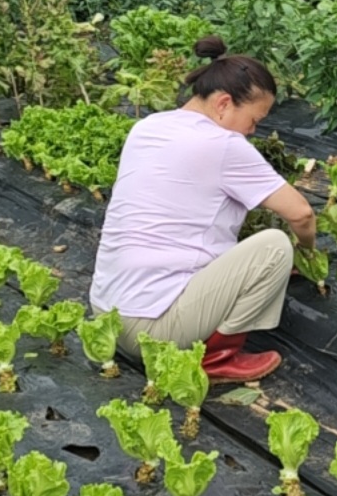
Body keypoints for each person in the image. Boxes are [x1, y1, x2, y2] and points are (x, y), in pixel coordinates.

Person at [89, 36, 316, 381]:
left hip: (105, 316)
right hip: (151, 331)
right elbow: (301, 213)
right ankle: (214, 359)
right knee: (274, 246)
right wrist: (306, 252)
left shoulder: (148, 126)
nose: (253, 131)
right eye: (254, 120)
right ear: (223, 104)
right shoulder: (223, 144)